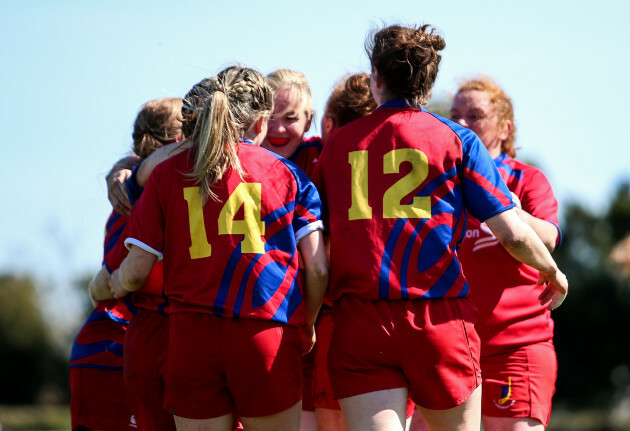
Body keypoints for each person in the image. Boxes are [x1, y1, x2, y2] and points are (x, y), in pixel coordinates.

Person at [314, 24, 568, 431]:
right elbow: (514, 233)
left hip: (361, 321)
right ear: (428, 85)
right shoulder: (457, 139)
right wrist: (552, 270)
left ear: (376, 78)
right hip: (436, 319)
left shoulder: (338, 146)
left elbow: (318, 252)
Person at [108, 66, 329, 431]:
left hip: (190, 340)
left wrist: (112, 284)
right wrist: (308, 322)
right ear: (260, 123)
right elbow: (318, 268)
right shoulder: (288, 175)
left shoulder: (167, 173)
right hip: (265, 334)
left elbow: (135, 271)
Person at [449, 77, 562, 431]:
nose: (462, 124)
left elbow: (550, 236)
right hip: (447, 348)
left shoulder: (526, 179)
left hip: (516, 347)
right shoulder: (440, 181)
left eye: (475, 115)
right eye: (455, 115)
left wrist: (512, 214)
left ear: (504, 127)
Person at [70, 97, 184, 431]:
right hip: (122, 347)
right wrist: (103, 283)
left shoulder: (129, 186)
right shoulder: (152, 197)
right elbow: (122, 276)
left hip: (102, 346)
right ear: (179, 142)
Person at [262, 69, 322, 178]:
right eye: (269, 117)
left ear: (308, 121)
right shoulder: (238, 159)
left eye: (290, 118)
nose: (278, 129)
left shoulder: (321, 153)